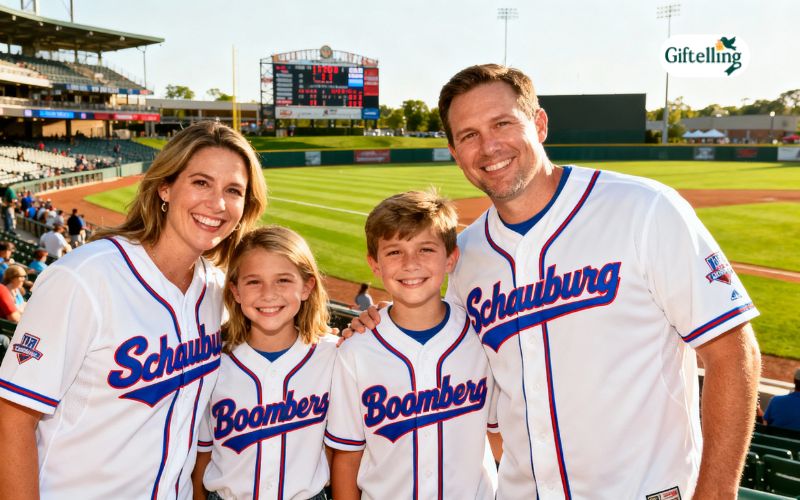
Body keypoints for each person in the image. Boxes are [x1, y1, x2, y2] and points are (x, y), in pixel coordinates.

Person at [350, 64, 761, 499]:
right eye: (468, 135)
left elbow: (734, 352)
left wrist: (716, 494)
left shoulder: (644, 210)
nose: (489, 146)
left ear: (540, 124)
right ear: (455, 153)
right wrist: (374, 324)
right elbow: (447, 351)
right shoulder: (464, 258)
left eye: (502, 123)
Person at [0, 121, 268, 499]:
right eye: (201, 183)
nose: (218, 204)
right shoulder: (84, 278)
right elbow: (11, 419)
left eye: (233, 190)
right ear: (165, 187)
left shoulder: (217, 290)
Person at [326, 190, 498, 499]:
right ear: (375, 265)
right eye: (394, 252)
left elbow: (502, 437)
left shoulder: (481, 335)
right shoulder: (356, 351)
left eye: (426, 249)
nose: (410, 263)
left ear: (451, 258)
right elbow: (347, 456)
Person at [192, 226, 337, 500]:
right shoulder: (212, 360)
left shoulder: (333, 355)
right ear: (235, 291)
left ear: (307, 287)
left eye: (283, 280)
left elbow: (340, 448)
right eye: (253, 282)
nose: (268, 294)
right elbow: (204, 453)